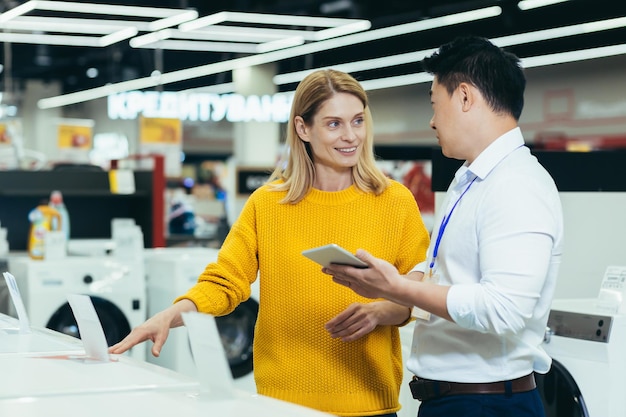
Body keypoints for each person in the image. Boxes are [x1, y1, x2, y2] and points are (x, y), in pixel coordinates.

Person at [110, 68, 430, 417]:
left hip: (369, 404)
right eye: (334, 124)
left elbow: (420, 289)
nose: (350, 135)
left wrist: (381, 311)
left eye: (357, 121)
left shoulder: (394, 201)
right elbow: (226, 280)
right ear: (302, 128)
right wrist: (171, 315)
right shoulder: (268, 204)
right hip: (281, 403)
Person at [324, 36, 564, 417]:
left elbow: (504, 309)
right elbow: (444, 273)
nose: (433, 120)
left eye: (436, 105)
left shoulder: (516, 185)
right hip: (457, 401)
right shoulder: (470, 179)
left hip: (487, 403)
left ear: (465, 97)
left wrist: (397, 286)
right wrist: (389, 299)